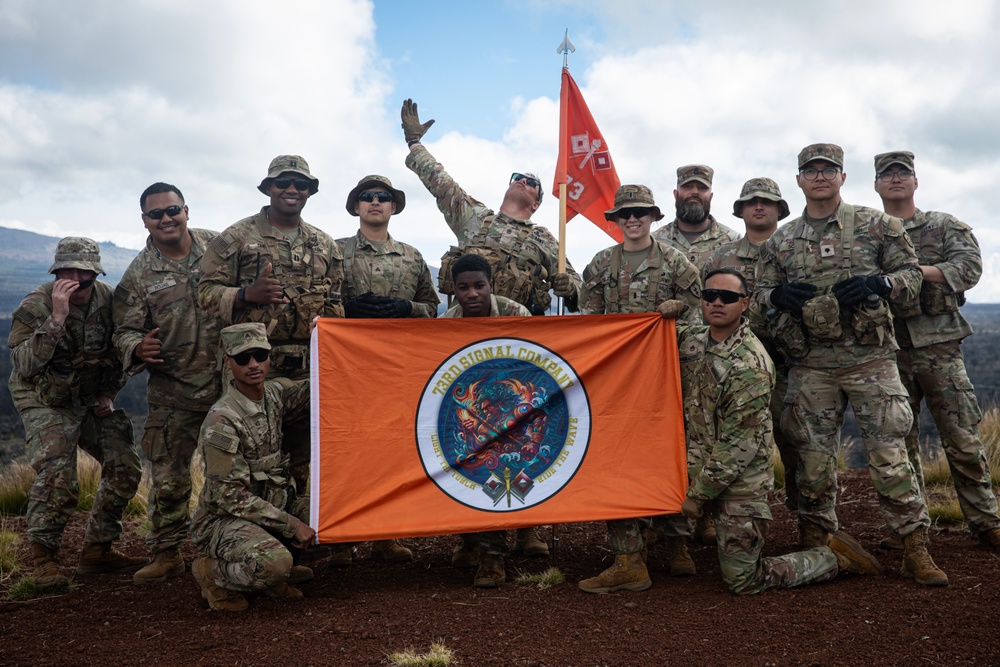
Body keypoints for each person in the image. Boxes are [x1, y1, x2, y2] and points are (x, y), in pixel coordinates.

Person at [754, 143, 947, 586]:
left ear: (843, 177)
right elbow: (760, 294)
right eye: (811, 170)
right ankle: (817, 539)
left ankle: (913, 544)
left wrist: (881, 283)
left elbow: (913, 276)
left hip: (871, 360)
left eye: (829, 170)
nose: (820, 176)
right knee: (812, 461)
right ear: (799, 180)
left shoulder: (879, 226)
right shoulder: (782, 240)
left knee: (889, 454)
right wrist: (776, 297)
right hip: (811, 364)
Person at [673, 269, 882, 594]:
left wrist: (697, 496)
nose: (716, 302)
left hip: (737, 485)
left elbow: (738, 445)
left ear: (744, 304)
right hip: (693, 468)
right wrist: (661, 315)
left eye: (727, 297)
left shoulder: (750, 364)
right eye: (708, 295)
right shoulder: (691, 339)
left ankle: (831, 559)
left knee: (743, 581)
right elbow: (647, 337)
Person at [577, 185, 702, 592]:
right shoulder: (600, 264)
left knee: (672, 454)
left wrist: (677, 312)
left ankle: (678, 544)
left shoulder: (676, 262)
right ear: (615, 220)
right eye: (625, 215)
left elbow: (703, 312)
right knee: (617, 460)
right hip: (616, 382)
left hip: (667, 377)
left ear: (653, 216)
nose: (632, 220)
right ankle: (628, 556)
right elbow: (587, 321)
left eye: (640, 214)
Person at [873, 150, 1000, 550]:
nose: (896, 179)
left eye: (903, 173)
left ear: (915, 181)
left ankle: (985, 521)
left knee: (961, 437)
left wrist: (911, 274)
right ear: (876, 185)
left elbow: (969, 269)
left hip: (939, 346)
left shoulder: (943, 226)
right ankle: (910, 527)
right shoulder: (869, 232)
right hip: (887, 349)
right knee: (899, 443)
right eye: (887, 175)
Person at [198, 155, 344, 494]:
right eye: (283, 182)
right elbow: (204, 293)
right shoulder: (235, 238)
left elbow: (336, 303)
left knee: (308, 456)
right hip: (255, 366)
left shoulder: (325, 245)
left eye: (301, 184)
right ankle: (248, 537)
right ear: (268, 188)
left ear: (310, 191)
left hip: (310, 369)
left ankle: (306, 533)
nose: (292, 189)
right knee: (253, 458)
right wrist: (246, 294)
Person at [9, 237, 145, 589]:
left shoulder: (111, 302)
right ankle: (44, 558)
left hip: (88, 396)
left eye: (81, 272)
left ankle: (98, 550)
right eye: (65, 271)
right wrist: (57, 318)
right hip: (44, 397)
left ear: (94, 273)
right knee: (58, 472)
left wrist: (107, 392)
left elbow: (121, 353)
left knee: (125, 466)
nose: (73, 278)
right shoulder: (36, 306)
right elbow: (24, 366)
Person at [113, 183, 222, 585]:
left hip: (229, 388)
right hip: (172, 393)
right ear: (144, 220)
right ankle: (166, 553)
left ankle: (225, 548)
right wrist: (136, 346)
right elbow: (121, 330)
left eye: (172, 209)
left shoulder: (219, 248)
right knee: (169, 480)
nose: (166, 218)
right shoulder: (138, 275)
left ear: (186, 210)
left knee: (229, 476)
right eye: (156, 213)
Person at [336, 174, 440, 563]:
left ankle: (386, 534)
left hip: (399, 370)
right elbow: (316, 301)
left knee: (394, 450)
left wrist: (406, 309)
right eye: (366, 197)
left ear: (394, 206)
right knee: (346, 450)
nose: (375, 202)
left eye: (383, 197)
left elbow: (431, 309)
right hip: (347, 369)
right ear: (357, 206)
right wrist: (344, 310)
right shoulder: (333, 251)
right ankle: (343, 538)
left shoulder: (413, 258)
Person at [401, 98, 582, 315]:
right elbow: (440, 181)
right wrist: (414, 142)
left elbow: (579, 288)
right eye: (517, 177)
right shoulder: (473, 217)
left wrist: (570, 287)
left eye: (532, 183)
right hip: (465, 325)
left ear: (536, 204)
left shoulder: (542, 238)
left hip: (516, 332)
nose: (523, 181)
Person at [189, 323, 314, 612]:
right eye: (243, 358)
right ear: (228, 362)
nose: (254, 364)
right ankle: (213, 574)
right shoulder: (222, 420)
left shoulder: (274, 395)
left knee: (330, 521)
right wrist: (291, 525)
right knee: (274, 564)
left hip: (267, 508)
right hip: (222, 520)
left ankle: (272, 571)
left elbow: (320, 387)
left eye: (260, 354)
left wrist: (325, 338)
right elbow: (228, 496)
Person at [440, 254, 549, 587]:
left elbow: (536, 365)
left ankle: (525, 531)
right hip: (473, 409)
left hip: (516, 405)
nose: (472, 294)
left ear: (491, 285)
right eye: (463, 288)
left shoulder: (518, 314)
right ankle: (475, 542)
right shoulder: (444, 324)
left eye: (479, 286)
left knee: (524, 461)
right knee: (466, 468)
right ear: (454, 290)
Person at [704, 178, 800, 519]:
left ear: (779, 209)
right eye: (752, 202)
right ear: (741, 210)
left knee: (797, 445)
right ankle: (717, 519)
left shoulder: (796, 248)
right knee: (726, 443)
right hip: (733, 369)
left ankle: (807, 523)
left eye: (767, 202)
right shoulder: (722, 255)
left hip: (791, 364)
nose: (759, 206)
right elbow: (707, 307)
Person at [651, 164, 741, 268]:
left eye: (702, 188)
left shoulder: (733, 241)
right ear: (676, 194)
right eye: (687, 187)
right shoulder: (654, 242)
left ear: (711, 196)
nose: (695, 192)